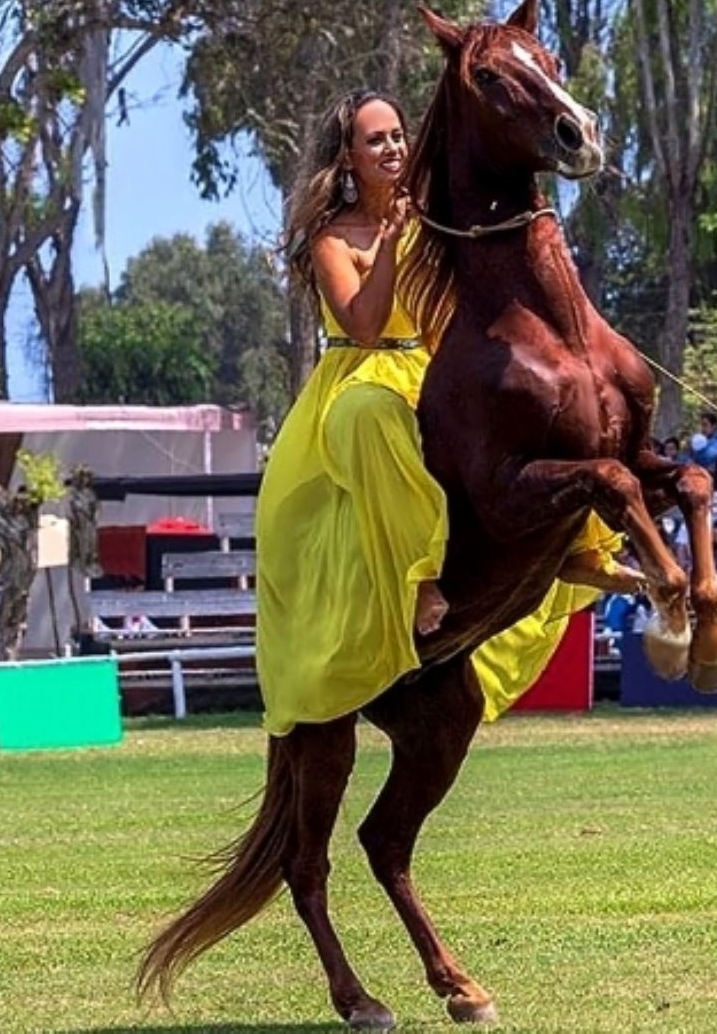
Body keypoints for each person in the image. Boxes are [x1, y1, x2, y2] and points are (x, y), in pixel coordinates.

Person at [254, 90, 624, 735]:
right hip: (358, 378)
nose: (394, 147)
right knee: (377, 417)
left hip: (431, 366)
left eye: (399, 134)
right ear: (347, 157)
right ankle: (418, 579)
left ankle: (580, 546)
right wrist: (393, 245)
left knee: (550, 405)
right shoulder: (330, 238)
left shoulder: (434, 216)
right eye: (376, 140)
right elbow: (365, 327)